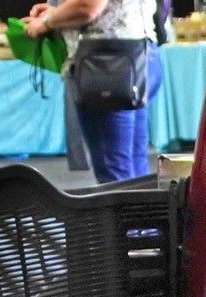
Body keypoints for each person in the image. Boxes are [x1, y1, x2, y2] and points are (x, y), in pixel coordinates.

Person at [22, 0, 162, 183]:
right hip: (136, 56)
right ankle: (142, 212)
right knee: (135, 168)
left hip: (109, 63)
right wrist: (60, 13)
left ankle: (124, 212)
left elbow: (88, 6)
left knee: (115, 174)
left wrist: (46, 22)